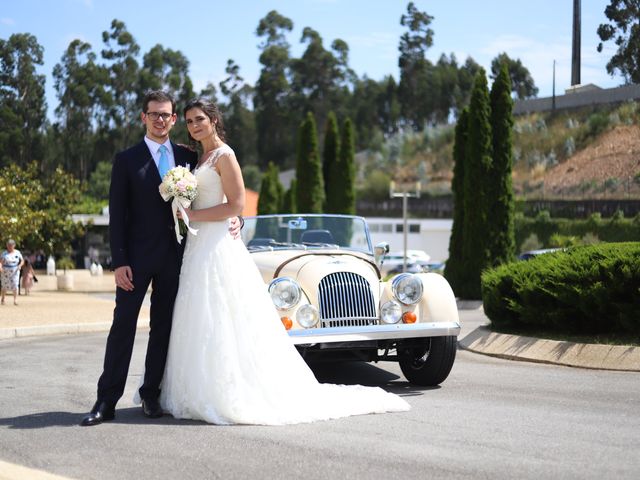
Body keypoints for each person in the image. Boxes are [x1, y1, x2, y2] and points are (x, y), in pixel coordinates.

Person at [157, 98, 410, 425]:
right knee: (198, 313)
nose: (194, 126)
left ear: (215, 120)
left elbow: (235, 206)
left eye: (200, 119)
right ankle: (193, 389)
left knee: (221, 311)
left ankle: (227, 391)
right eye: (190, 121)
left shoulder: (225, 155)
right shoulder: (198, 156)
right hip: (196, 245)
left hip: (217, 244)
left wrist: (194, 214)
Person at [80, 91, 242, 427]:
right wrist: (119, 260)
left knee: (165, 328)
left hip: (179, 257)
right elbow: (118, 215)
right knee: (122, 327)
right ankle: (106, 401)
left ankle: (151, 394)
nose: (160, 120)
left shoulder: (189, 155)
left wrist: (235, 219)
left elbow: (220, 196)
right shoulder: (126, 160)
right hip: (135, 261)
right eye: (154, 114)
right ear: (144, 117)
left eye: (166, 115)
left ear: (171, 119)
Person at [1, 239, 23, 306]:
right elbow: (0, 262)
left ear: (14, 245)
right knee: (4, 285)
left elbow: (22, 261)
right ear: (7, 245)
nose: (10, 246)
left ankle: (15, 300)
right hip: (5, 271)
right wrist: (0, 267)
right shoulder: (4, 253)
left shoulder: (17, 252)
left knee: (15, 285)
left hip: (15, 271)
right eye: (8, 245)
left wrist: (20, 265)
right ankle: (3, 298)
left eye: (11, 245)